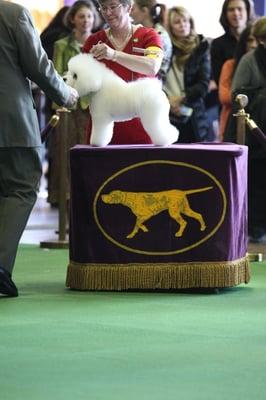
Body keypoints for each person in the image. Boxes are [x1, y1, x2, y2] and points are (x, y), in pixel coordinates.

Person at [0, 0, 78, 297]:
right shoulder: (13, 13)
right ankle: (1, 268)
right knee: (20, 189)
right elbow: (37, 64)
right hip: (11, 120)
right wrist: (65, 93)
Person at [82, 0, 164, 145]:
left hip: (142, 128)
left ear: (129, 7)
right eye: (103, 8)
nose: (108, 13)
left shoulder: (149, 36)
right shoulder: (93, 41)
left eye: (113, 7)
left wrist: (114, 55)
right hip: (103, 131)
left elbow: (152, 66)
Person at [47, 0, 100, 206]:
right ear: (72, 19)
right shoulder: (61, 44)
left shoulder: (99, 45)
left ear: (94, 18)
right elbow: (58, 75)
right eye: (81, 16)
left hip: (92, 105)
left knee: (89, 151)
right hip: (68, 105)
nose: (85, 20)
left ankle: (89, 197)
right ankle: (64, 198)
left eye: (89, 16)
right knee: (65, 153)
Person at [230, 17, 266, 243]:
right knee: (257, 182)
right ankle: (256, 229)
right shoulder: (248, 60)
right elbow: (237, 96)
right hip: (256, 135)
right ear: (262, 40)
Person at [163, 6, 210, 143]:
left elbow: (203, 85)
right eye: (177, 22)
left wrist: (182, 98)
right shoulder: (165, 48)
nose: (183, 25)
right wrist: (168, 102)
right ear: (170, 27)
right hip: (166, 111)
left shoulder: (201, 47)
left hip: (193, 115)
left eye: (185, 20)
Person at [218, 24, 257, 139]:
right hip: (232, 124)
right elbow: (224, 97)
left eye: (257, 40)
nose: (254, 45)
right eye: (250, 40)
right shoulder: (230, 65)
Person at [211, 0, 256, 86]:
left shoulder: (259, 38)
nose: (236, 13)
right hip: (232, 92)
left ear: (248, 11)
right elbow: (219, 80)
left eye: (239, 9)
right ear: (225, 14)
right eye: (231, 10)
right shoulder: (217, 44)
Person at [130, 0, 172, 82]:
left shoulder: (160, 35)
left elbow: (149, 66)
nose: (130, 13)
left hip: (153, 83)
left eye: (133, 9)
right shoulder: (137, 30)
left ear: (144, 11)